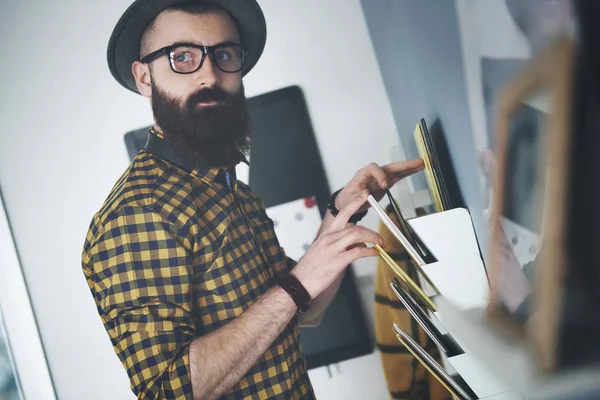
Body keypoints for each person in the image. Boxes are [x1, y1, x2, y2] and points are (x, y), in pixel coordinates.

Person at [82, 1, 424, 398]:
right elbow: (166, 391)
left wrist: (341, 213)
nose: (209, 74)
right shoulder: (138, 214)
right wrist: (297, 286)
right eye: (183, 57)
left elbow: (305, 310)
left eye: (224, 54)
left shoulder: (233, 191)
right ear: (144, 77)